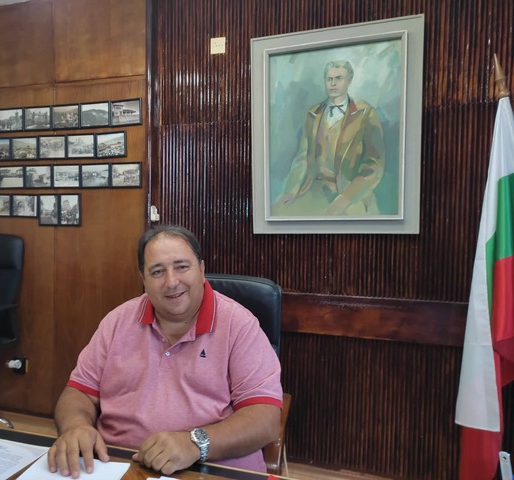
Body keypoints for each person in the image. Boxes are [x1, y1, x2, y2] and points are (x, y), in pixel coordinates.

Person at [48, 225, 283, 478]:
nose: (171, 282)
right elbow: (79, 392)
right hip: (118, 465)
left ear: (201, 269)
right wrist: (75, 427)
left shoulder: (239, 325)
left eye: (181, 267)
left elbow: (265, 417)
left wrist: (195, 443)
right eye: (157, 271)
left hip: (211, 469)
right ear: (143, 279)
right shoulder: (117, 321)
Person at [273, 60, 385, 217]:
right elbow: (302, 157)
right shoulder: (313, 113)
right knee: (277, 211)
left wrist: (347, 197)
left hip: (349, 192)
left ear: (349, 80)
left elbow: (374, 165)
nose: (333, 84)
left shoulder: (366, 113)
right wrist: (291, 190)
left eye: (339, 78)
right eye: (329, 79)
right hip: (313, 189)